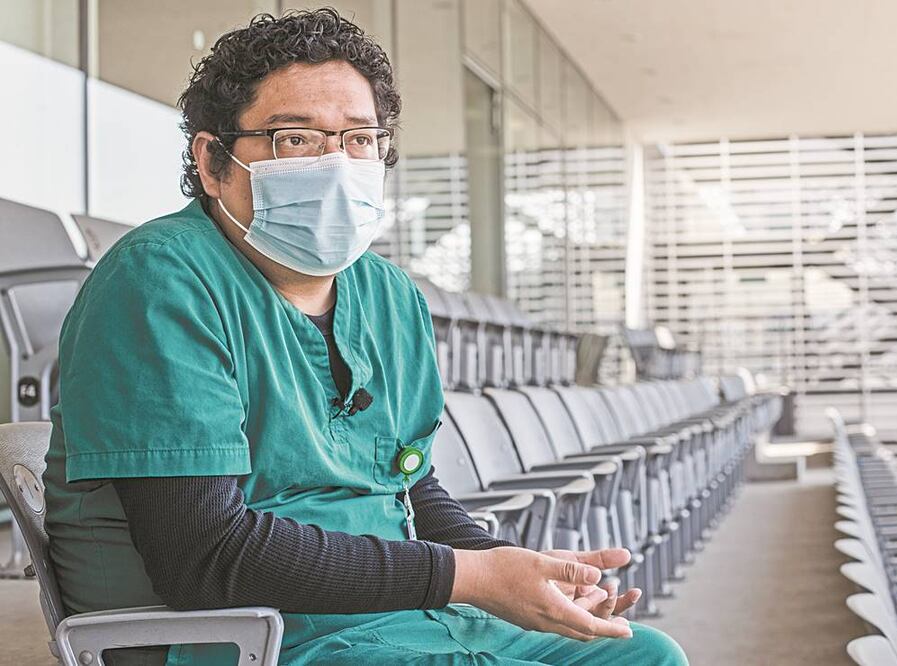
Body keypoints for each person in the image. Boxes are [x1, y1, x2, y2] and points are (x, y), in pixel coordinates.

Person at [42, 8, 688, 666]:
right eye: (296, 139)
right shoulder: (158, 282)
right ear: (212, 162)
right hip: (241, 638)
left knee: (648, 655)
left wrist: (517, 572)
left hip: (391, 618)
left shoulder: (388, 295)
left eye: (358, 139)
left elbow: (407, 486)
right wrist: (470, 580)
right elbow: (203, 559)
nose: (336, 163)